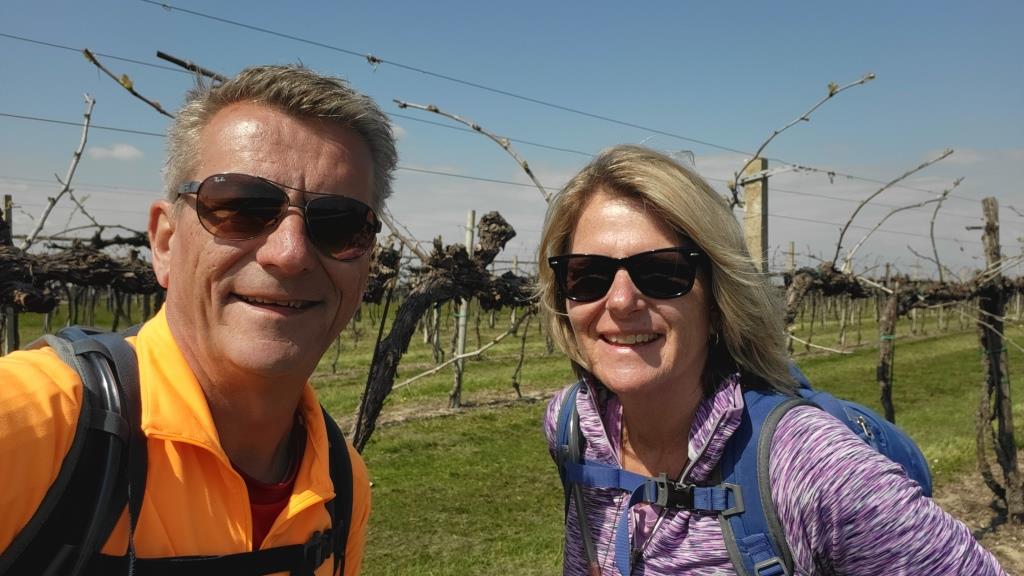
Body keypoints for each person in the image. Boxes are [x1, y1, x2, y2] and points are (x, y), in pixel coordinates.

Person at [0, 64, 397, 575]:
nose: (290, 253)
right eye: (241, 207)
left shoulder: (342, 483)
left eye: (340, 224)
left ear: (367, 262)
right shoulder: (35, 426)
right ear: (165, 243)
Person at [538, 145, 1006, 575]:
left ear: (718, 298)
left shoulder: (810, 465)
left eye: (662, 272)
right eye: (587, 274)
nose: (621, 301)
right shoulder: (573, 429)